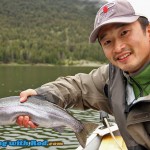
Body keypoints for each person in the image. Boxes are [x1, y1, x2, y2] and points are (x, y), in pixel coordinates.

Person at [16, 0, 150, 149]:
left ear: (148, 31)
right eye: (107, 41)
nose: (118, 47)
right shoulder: (111, 77)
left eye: (124, 33)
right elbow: (77, 86)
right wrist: (41, 96)